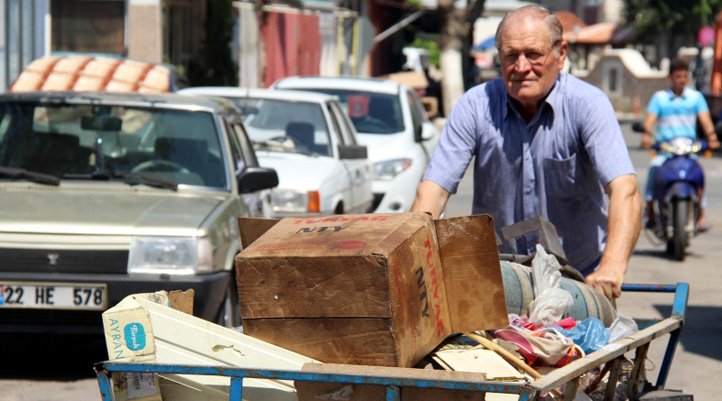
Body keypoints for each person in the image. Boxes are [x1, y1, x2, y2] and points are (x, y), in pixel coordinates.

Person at [410, 5, 642, 300]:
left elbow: (626, 191)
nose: (521, 67)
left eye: (533, 54)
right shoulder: (475, 106)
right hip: (502, 279)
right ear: (499, 58)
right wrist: (412, 261)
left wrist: (611, 267)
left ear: (560, 54)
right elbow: (433, 192)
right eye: (510, 56)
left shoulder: (588, 105)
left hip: (580, 280)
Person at [640, 58, 720, 231]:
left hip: (688, 149)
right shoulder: (660, 98)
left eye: (685, 76)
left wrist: (712, 138)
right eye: (678, 76)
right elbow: (649, 122)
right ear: (671, 77)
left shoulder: (695, 97)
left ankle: (702, 215)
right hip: (666, 150)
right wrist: (646, 137)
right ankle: (649, 212)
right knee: (654, 168)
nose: (682, 80)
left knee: (698, 174)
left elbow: (705, 121)